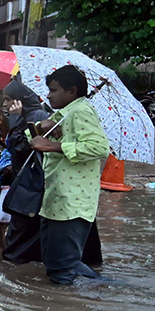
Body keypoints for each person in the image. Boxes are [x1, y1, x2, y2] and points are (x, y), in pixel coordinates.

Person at [28, 64, 110, 284]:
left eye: (54, 90)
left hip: (71, 204)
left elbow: (100, 148)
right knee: (55, 262)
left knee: (60, 269)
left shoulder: (81, 111)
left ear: (72, 91)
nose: (49, 95)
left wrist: (54, 146)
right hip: (55, 200)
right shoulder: (64, 113)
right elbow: (34, 140)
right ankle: (105, 287)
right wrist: (41, 127)